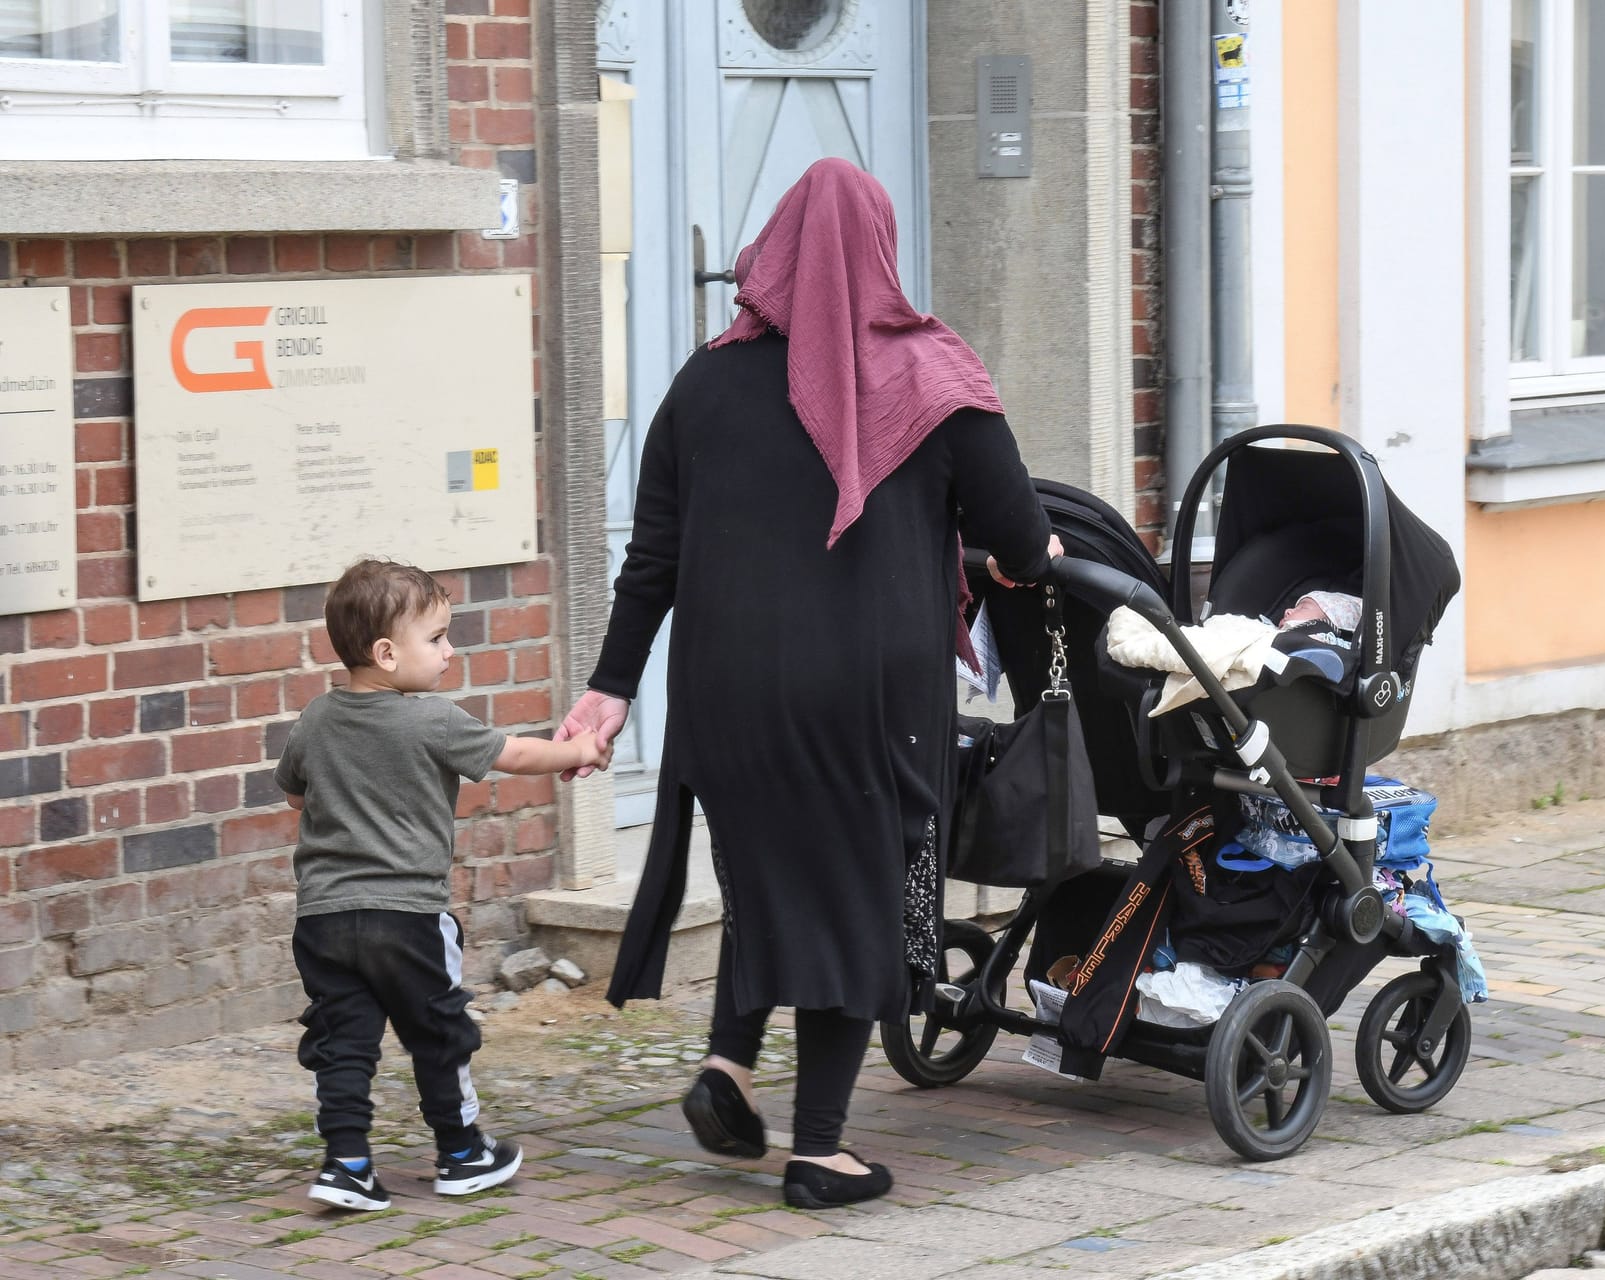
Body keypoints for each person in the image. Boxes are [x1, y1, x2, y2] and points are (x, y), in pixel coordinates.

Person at [555, 157, 1059, 1210]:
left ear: (771, 249)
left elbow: (653, 557)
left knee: (773, 871)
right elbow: (1018, 535)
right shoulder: (935, 379)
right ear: (880, 250)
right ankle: (820, 1149)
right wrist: (1007, 559)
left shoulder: (702, 379)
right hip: (865, 701)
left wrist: (610, 688)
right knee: (860, 892)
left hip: (724, 695)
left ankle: (726, 1068)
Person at [275, 557, 613, 1212]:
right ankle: (461, 1154)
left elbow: (295, 797)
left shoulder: (315, 720)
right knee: (439, 1032)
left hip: (323, 921)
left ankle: (345, 1165)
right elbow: (513, 754)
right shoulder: (434, 719)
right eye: (435, 638)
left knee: (342, 1041)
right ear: (385, 653)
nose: (449, 650)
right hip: (408, 919)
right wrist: (578, 751)